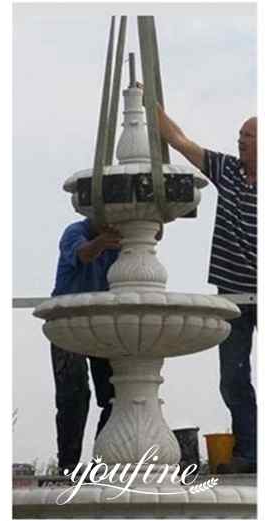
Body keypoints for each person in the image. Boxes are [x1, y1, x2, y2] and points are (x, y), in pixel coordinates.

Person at [157, 107, 257, 473]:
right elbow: (181, 141)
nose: (240, 140)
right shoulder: (228, 170)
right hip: (232, 295)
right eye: (241, 135)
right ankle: (250, 452)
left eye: (247, 136)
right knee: (233, 377)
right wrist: (150, 103)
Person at [50, 219, 120, 474]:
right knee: (73, 395)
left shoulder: (120, 238)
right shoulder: (75, 232)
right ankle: (68, 465)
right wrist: (102, 242)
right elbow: (85, 254)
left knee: (118, 394)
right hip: (67, 323)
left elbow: (155, 235)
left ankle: (100, 461)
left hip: (102, 325)